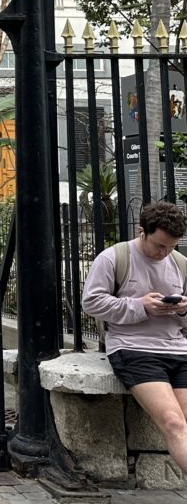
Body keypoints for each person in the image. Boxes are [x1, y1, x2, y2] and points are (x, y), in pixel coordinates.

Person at [82, 200, 187, 472]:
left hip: (178, 349)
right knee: (173, 422)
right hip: (133, 349)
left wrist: (183, 309)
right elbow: (91, 303)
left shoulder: (180, 264)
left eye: (171, 247)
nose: (164, 253)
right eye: (159, 246)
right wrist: (141, 306)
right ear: (142, 231)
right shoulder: (114, 258)